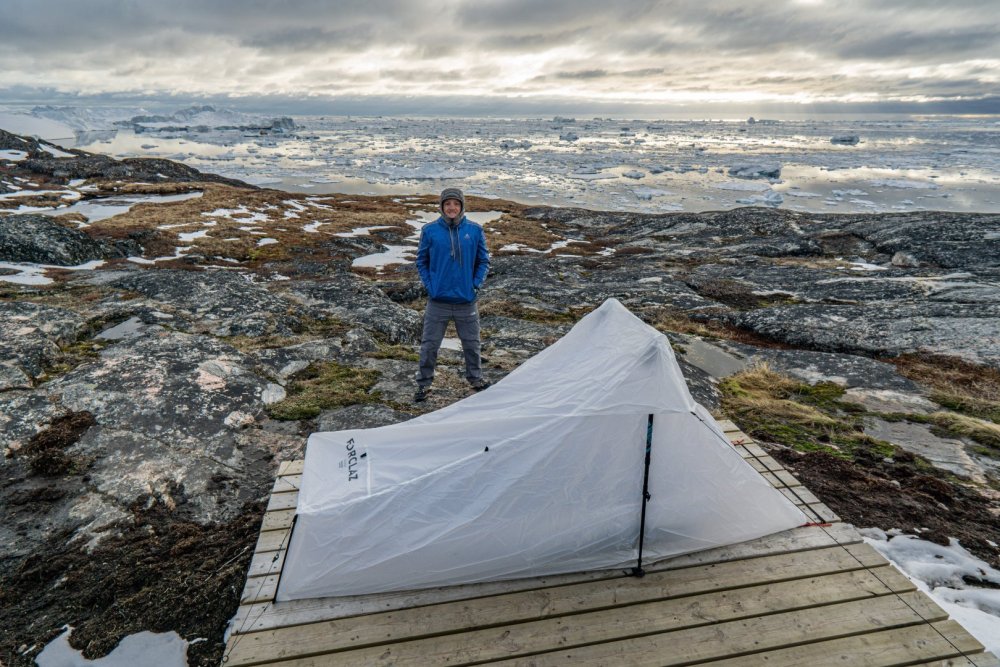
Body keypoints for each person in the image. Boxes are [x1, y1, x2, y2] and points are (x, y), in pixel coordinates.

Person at [414, 187, 491, 402]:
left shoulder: (474, 230)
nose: (451, 208)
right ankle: (423, 384)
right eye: (447, 204)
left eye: (455, 204)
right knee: (429, 345)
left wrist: (475, 285)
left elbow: (483, 260)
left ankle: (475, 379)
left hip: (466, 301)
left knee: (472, 344)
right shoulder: (430, 231)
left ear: (462, 206)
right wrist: (432, 287)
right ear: (441, 207)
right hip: (437, 301)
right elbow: (421, 261)